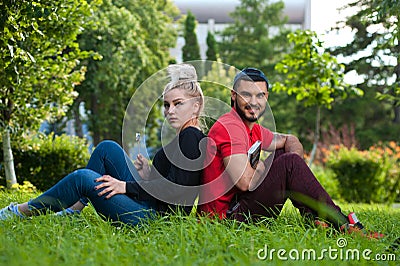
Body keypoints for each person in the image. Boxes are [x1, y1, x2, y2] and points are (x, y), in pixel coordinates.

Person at [0, 63, 206, 226]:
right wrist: (147, 174)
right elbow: (174, 181)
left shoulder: (189, 137)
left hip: (153, 218)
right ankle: (74, 211)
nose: (169, 110)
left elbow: (176, 191)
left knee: (83, 178)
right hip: (151, 205)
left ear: (195, 106)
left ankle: (19, 211)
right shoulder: (185, 136)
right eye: (166, 105)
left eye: (178, 104)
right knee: (107, 149)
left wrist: (124, 186)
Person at [199, 67, 383, 238]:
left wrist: (296, 168)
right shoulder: (230, 126)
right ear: (233, 95)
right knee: (288, 163)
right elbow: (245, 182)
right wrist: (267, 167)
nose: (253, 102)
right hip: (223, 221)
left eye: (260, 95)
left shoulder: (253, 129)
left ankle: (317, 218)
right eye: (246, 95)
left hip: (238, 207)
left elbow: (290, 140)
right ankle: (344, 224)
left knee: (287, 158)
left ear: (266, 97)